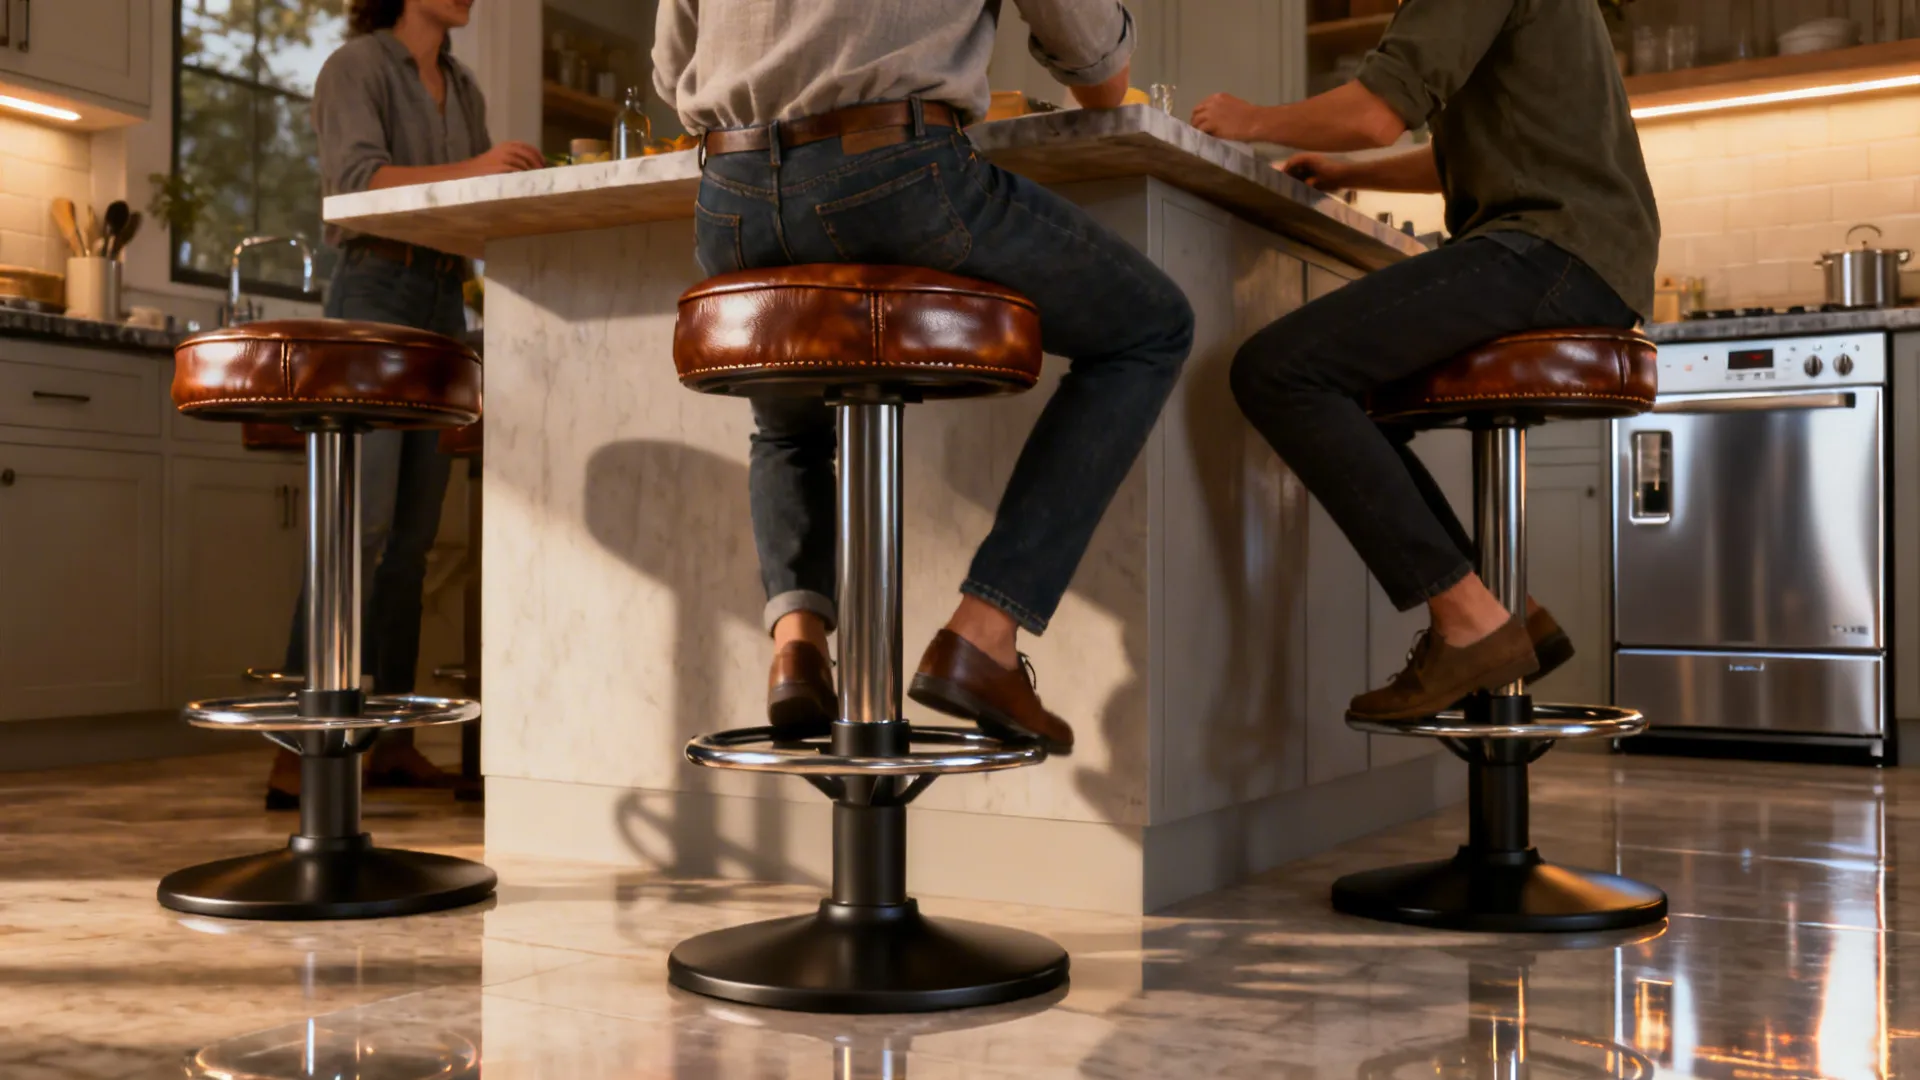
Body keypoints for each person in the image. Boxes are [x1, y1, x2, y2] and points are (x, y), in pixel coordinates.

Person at [653, 0, 1195, 754]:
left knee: (788, 419)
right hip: (892, 175)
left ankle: (797, 644)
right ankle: (985, 634)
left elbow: (670, 68)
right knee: (1152, 326)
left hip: (729, 197)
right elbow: (1097, 63)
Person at [1190, 0, 1657, 721]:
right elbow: (1475, 151)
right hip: (1582, 255)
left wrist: (1246, 120)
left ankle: (1470, 623)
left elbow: (1376, 113)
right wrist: (1349, 169)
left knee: (1280, 372)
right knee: (1355, 394)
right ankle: (1503, 610)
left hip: (1549, 249)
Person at [263, 0, 545, 808]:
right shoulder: (356, 67)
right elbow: (356, 183)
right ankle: (300, 742)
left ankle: (387, 741)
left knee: (413, 541)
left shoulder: (462, 84)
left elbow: (468, 209)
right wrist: (477, 171)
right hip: (374, 287)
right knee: (362, 525)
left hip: (439, 296)